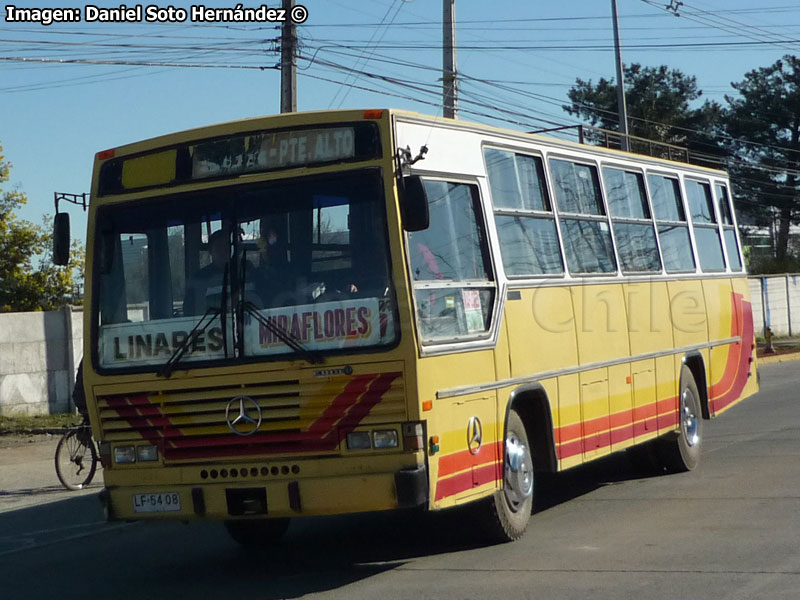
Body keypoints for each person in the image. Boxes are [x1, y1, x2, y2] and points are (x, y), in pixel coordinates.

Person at [183, 229, 230, 316]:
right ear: (210, 251)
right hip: (207, 327)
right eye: (219, 247)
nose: (224, 251)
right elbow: (189, 314)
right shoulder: (198, 278)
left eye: (227, 246)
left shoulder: (244, 273)